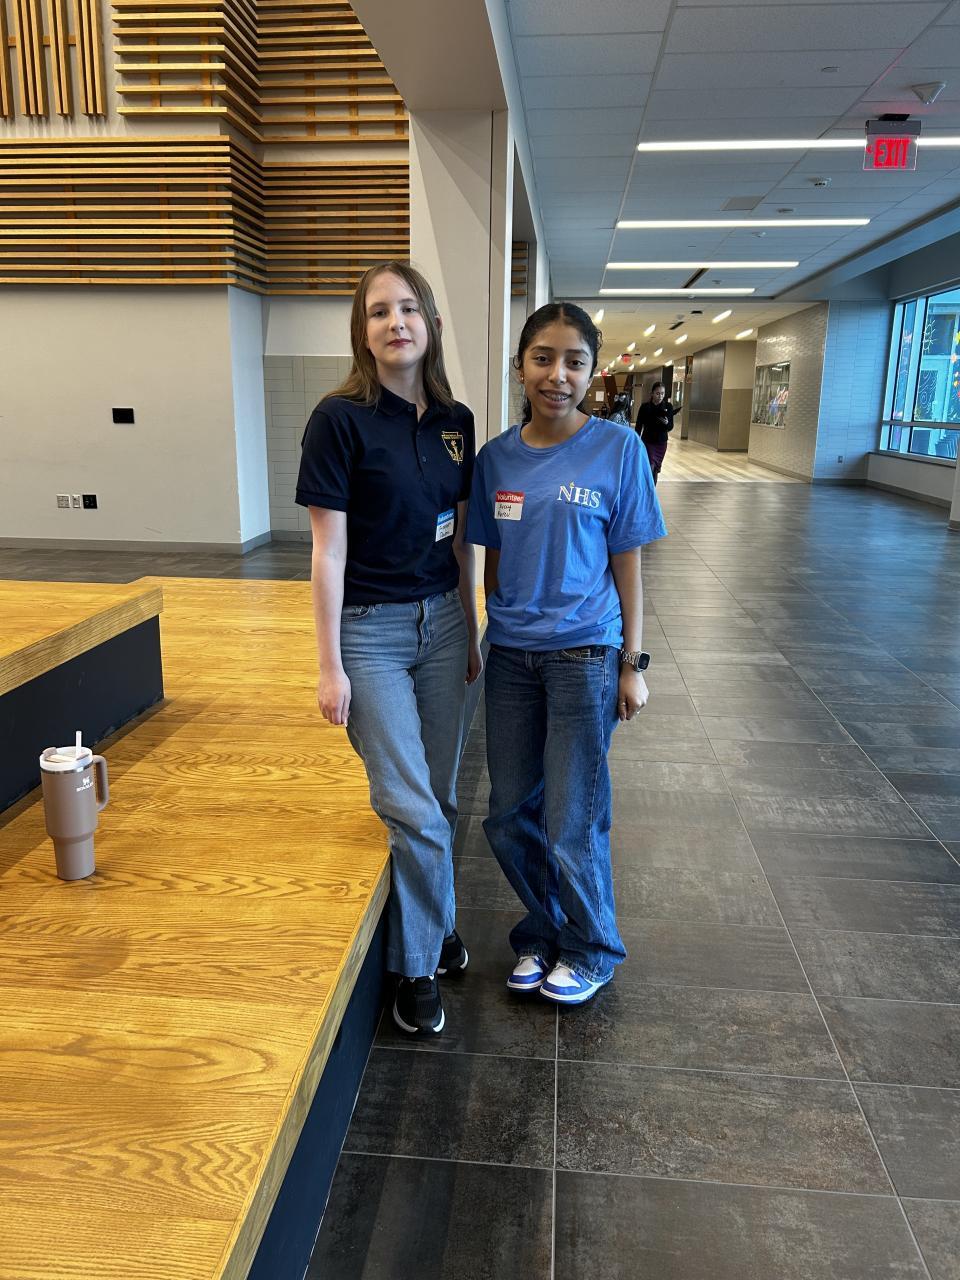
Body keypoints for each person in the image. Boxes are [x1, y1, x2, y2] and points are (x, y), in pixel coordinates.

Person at [296, 261, 482, 1036]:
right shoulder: (337, 420)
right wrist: (329, 664)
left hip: (442, 624)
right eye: (378, 312)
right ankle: (417, 965)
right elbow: (327, 553)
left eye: (408, 308)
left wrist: (469, 626)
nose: (395, 322)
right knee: (410, 806)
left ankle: (437, 922)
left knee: (438, 797)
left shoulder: (456, 421)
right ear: (362, 332)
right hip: (369, 633)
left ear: (430, 324)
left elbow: (461, 539)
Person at [466, 302, 666, 1005]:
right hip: (512, 657)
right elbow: (491, 561)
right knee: (507, 812)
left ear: (591, 372)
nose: (558, 375)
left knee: (571, 817)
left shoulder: (619, 449)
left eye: (575, 362)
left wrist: (632, 664)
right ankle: (547, 928)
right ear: (520, 366)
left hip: (585, 654)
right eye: (543, 358)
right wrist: (492, 626)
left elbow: (628, 563)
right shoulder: (495, 458)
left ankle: (592, 947)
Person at [634, 381, 674, 484]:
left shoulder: (668, 406)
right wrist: (636, 440)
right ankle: (649, 487)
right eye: (657, 393)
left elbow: (670, 427)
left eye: (662, 394)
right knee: (650, 465)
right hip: (648, 441)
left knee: (655, 468)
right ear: (652, 393)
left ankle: (652, 488)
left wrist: (666, 423)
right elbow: (639, 425)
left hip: (661, 442)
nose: (660, 396)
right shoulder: (645, 407)